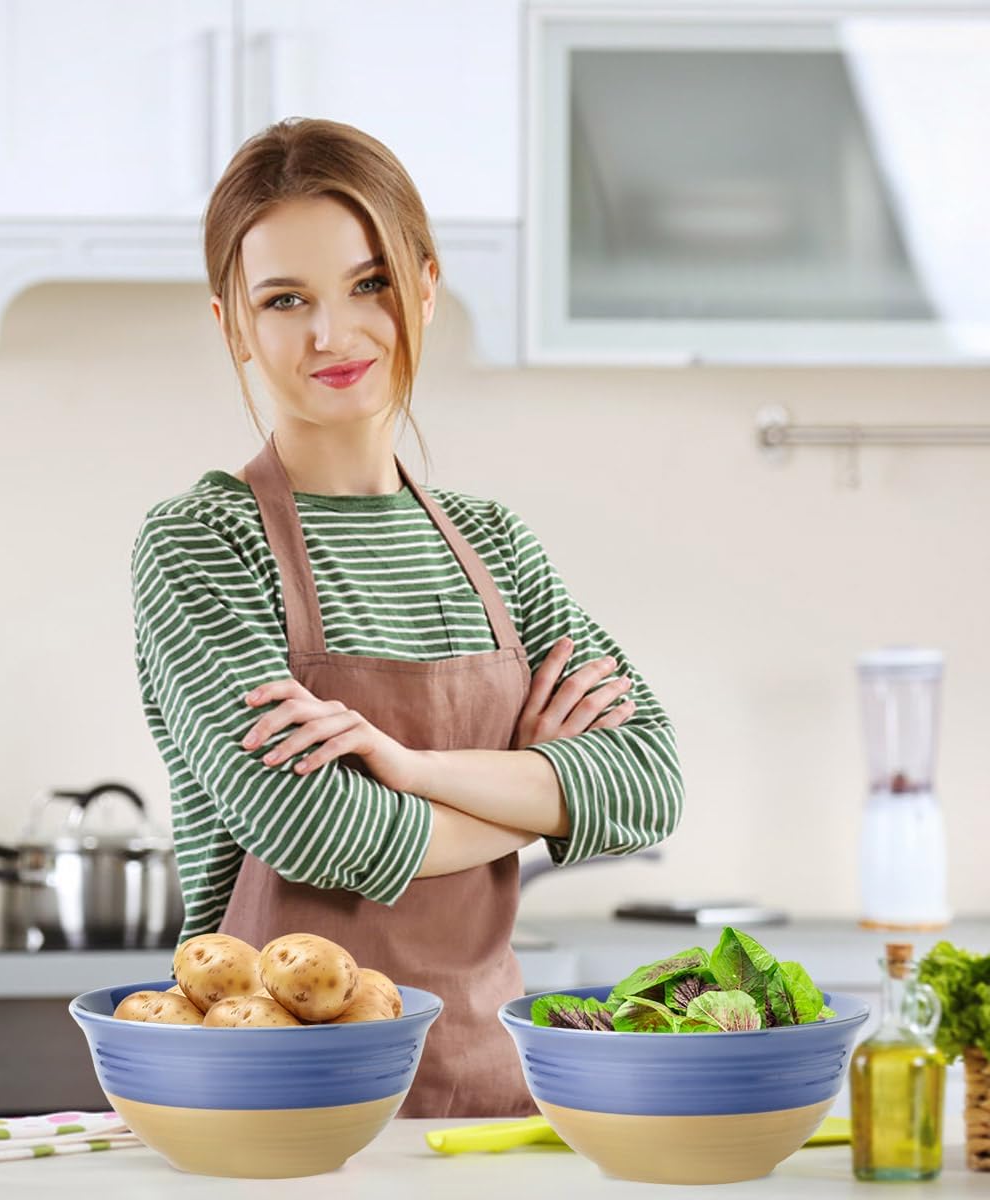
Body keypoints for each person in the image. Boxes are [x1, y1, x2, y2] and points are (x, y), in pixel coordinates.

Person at [130, 118, 683, 1118]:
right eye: (285, 299)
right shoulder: (203, 543)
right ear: (233, 327)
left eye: (369, 283)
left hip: (496, 1094)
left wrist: (412, 768)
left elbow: (649, 782)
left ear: (425, 288)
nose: (332, 334)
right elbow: (307, 826)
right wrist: (538, 795)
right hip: (281, 1102)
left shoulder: (496, 546)